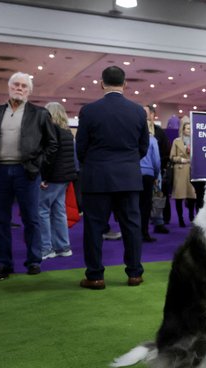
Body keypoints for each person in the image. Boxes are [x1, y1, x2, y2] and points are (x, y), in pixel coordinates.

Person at [76, 66, 149, 290]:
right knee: (132, 227)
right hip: (128, 177)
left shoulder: (89, 111)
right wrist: (126, 162)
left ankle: (96, 276)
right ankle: (135, 273)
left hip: (97, 177)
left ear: (101, 83)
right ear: (125, 84)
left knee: (94, 228)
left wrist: (96, 163)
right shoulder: (138, 111)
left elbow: (81, 148)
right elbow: (143, 147)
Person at [0, 72, 58, 279]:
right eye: (16, 84)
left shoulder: (40, 114)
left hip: (27, 172)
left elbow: (52, 144)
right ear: (9, 87)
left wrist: (38, 164)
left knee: (31, 218)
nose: (20, 88)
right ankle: (5, 263)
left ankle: (33, 261)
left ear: (29, 91)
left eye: (24, 86)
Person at [39, 102, 77, 259]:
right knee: (59, 211)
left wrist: (44, 177)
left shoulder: (51, 130)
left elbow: (50, 157)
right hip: (65, 177)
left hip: (53, 177)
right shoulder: (67, 131)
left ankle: (46, 248)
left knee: (42, 211)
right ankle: (63, 246)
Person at [144, 104, 171, 234]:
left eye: (146, 113)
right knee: (143, 200)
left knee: (158, 197)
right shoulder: (137, 130)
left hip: (157, 169)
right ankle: (142, 227)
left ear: (153, 115)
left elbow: (166, 150)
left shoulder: (159, 132)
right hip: (142, 170)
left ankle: (159, 222)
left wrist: (161, 167)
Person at [169, 121, 197, 226]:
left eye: (190, 128)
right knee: (179, 197)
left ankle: (191, 216)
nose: (189, 130)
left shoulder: (195, 141)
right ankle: (180, 218)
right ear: (183, 129)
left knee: (192, 196)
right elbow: (172, 157)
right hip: (180, 171)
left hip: (191, 170)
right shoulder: (176, 141)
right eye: (187, 128)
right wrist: (181, 159)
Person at [139, 122, 161, 243]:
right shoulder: (152, 140)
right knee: (146, 205)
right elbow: (156, 160)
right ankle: (145, 233)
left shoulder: (133, 139)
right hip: (148, 175)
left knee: (134, 205)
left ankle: (134, 233)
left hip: (133, 174)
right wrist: (156, 175)